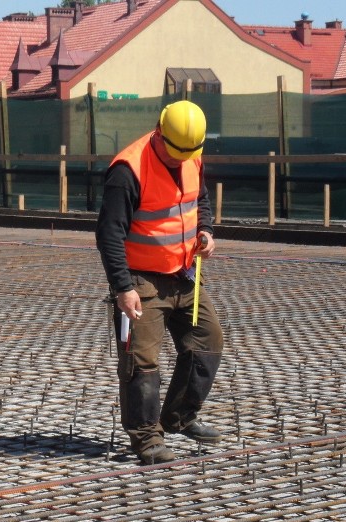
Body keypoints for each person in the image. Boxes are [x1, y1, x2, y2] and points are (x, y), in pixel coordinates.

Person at [95, 100, 224, 466]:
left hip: (184, 275)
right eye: (174, 151)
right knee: (142, 361)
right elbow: (108, 234)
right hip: (141, 279)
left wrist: (206, 231)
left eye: (187, 153)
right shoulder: (128, 170)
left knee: (207, 341)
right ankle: (148, 439)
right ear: (158, 130)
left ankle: (179, 417)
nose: (178, 159)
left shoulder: (191, 158)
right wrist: (123, 287)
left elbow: (199, 199)